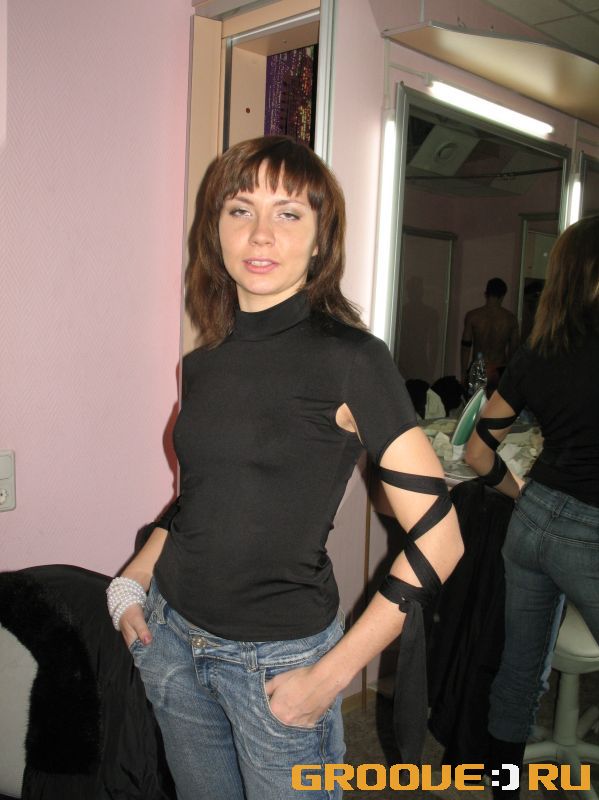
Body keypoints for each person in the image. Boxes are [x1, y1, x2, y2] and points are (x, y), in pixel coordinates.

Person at [106, 135, 463, 800]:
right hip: (173, 641)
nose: (261, 233)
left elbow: (442, 539)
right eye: (240, 210)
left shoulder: (352, 360)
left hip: (277, 666)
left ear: (321, 241)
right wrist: (134, 577)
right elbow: (203, 496)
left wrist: (330, 678)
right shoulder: (202, 364)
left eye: (289, 213)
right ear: (214, 230)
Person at [464, 215, 599, 798]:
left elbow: (477, 452)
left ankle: (504, 789)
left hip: (533, 522)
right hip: (590, 530)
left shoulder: (537, 352)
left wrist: (527, 497)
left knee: (518, 676)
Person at [460, 277, 519, 393]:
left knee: (476, 404)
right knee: (496, 404)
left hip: (479, 367)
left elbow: (466, 346)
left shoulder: (472, 316)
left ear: (486, 294)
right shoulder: (511, 319)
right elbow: (514, 350)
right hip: (499, 369)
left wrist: (463, 373)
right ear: (503, 296)